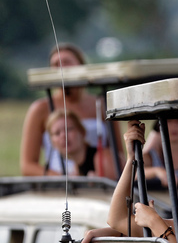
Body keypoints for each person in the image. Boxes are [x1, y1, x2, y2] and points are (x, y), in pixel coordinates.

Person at [19, 43, 119, 178]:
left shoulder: (102, 104)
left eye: (67, 62)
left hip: (99, 179)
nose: (61, 67)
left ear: (81, 65)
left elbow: (118, 155)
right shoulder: (40, 108)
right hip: (60, 184)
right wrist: (65, 179)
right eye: (55, 64)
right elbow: (27, 166)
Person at [44, 109, 101, 177]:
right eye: (57, 133)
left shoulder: (101, 159)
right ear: (52, 142)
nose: (63, 136)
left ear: (82, 132)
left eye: (68, 129)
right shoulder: (75, 169)